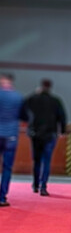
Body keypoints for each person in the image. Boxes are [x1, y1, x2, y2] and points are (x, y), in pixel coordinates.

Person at [25, 79, 66, 196]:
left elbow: (23, 110)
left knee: (36, 160)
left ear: (40, 86)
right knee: (46, 161)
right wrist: (62, 130)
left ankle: (35, 184)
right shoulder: (55, 101)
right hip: (50, 134)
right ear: (50, 87)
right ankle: (43, 187)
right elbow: (62, 116)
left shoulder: (32, 99)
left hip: (35, 133)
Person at [0, 73, 26, 207]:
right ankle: (2, 197)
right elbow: (24, 116)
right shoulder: (18, 97)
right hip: (11, 136)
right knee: (7, 167)